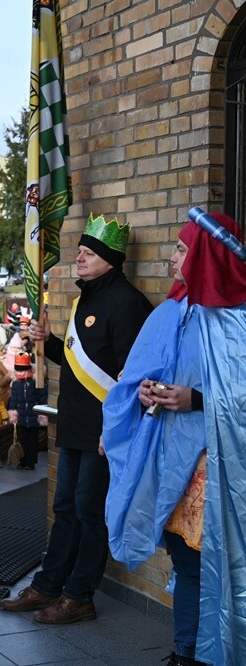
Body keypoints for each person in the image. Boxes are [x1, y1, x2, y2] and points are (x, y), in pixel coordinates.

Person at [102, 211, 246, 666]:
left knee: (223, 567)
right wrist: (144, 393)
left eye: (182, 249)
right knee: (187, 565)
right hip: (175, 467)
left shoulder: (240, 320)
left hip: (222, 468)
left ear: (208, 254)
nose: (172, 257)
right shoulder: (170, 312)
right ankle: (186, 653)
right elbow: (136, 382)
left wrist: (198, 399)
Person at [0, 213, 152, 624]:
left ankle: (79, 595)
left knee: (89, 510)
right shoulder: (86, 297)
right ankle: (49, 586)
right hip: (74, 424)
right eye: (80, 251)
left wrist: (116, 430)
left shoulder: (128, 303)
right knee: (65, 506)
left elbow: (130, 377)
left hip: (104, 431)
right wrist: (47, 342)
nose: (79, 258)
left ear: (109, 258)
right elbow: (78, 364)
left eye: (88, 253)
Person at [8, 353, 48, 470]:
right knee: (22, 440)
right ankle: (23, 461)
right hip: (21, 416)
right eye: (18, 371)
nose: (20, 373)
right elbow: (14, 399)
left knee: (32, 441)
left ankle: (30, 462)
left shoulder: (36, 382)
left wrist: (42, 414)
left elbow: (42, 397)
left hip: (33, 416)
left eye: (22, 371)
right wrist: (13, 412)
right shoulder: (15, 384)